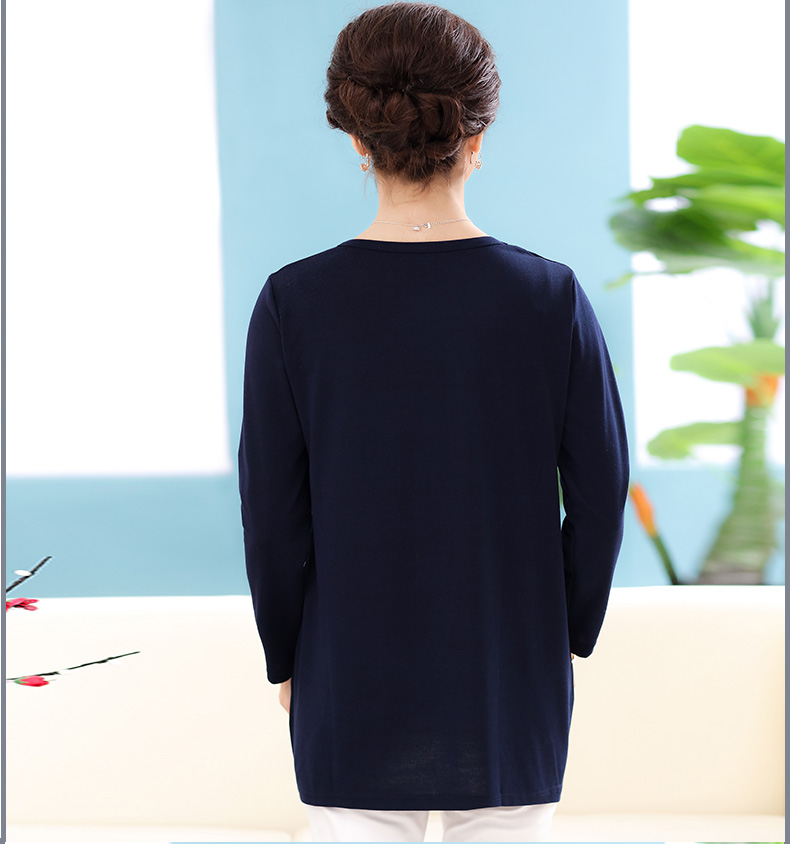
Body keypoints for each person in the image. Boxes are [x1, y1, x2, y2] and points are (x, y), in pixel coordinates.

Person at [237, 2, 630, 841]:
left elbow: (271, 515)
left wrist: (286, 656)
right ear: (476, 138)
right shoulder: (551, 299)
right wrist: (562, 635)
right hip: (511, 689)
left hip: (347, 685)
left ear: (358, 140)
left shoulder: (292, 304)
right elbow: (601, 500)